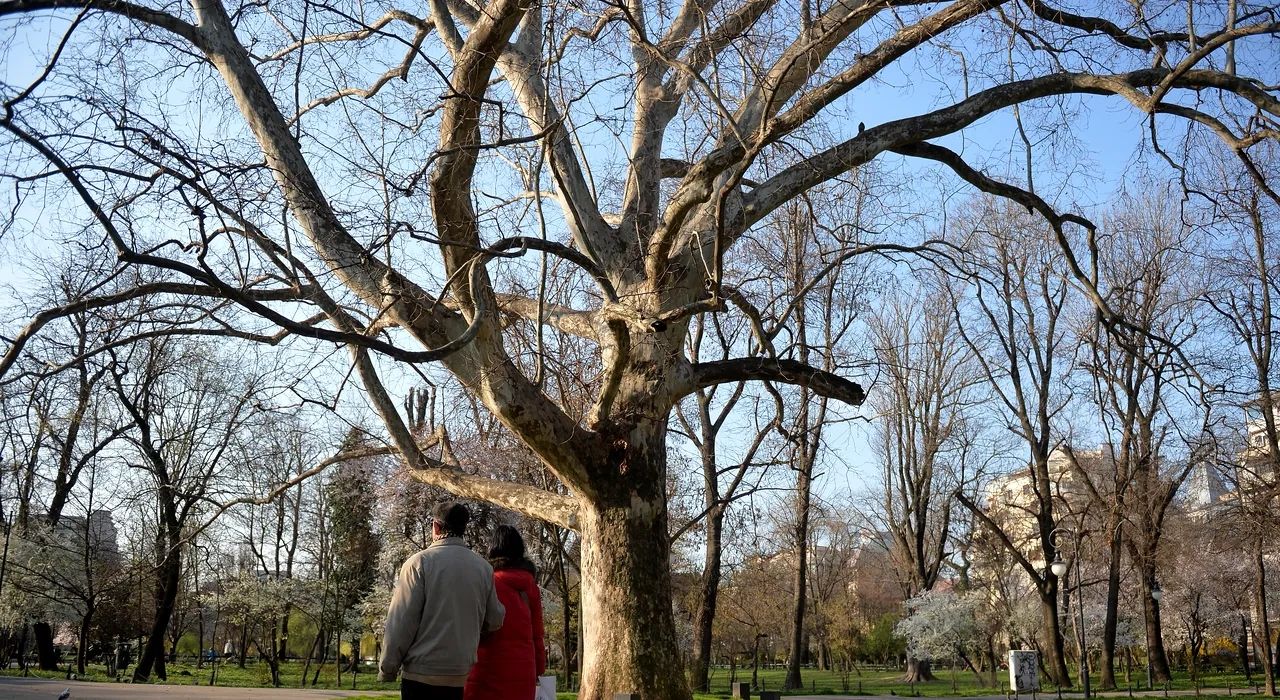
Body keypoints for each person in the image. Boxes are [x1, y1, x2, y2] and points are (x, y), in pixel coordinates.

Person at [379, 501, 505, 700]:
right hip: (458, 672)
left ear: (436, 526)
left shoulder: (419, 563)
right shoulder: (483, 568)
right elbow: (495, 619)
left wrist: (388, 667)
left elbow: (402, 620)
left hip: (421, 673)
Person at [464, 525, 546, 700]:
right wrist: (539, 668)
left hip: (487, 665)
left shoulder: (487, 581)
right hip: (524, 668)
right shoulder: (530, 586)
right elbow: (537, 633)